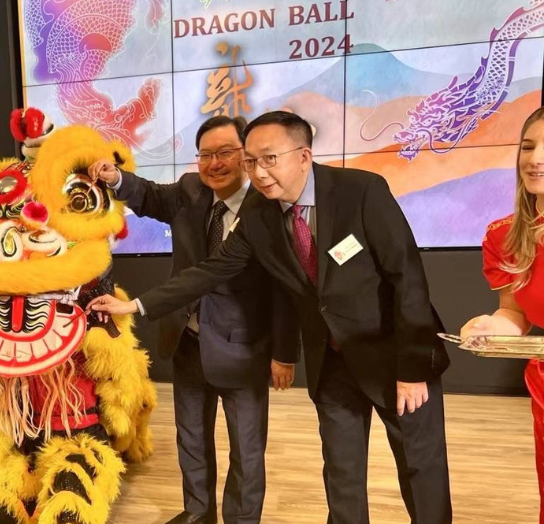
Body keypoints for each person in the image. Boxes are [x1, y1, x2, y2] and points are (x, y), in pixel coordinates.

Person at [90, 111, 452, 524]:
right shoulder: (260, 214)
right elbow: (212, 268)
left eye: (269, 159)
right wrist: (137, 305)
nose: (259, 173)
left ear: (303, 155)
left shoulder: (361, 190)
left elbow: (406, 276)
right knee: (342, 474)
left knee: (420, 469)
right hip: (331, 362)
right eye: (252, 162)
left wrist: (412, 366)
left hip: (395, 356)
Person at [91, 115, 297, 524]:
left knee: (247, 449)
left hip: (243, 348)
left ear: (247, 156)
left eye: (225, 153)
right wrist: (116, 178)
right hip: (187, 340)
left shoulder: (268, 207)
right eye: (206, 155)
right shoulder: (189, 190)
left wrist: (283, 353)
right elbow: (148, 195)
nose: (214, 164)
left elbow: (285, 290)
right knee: (192, 439)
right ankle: (198, 512)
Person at [461, 106, 544, 524]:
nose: (534, 158)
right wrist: (489, 328)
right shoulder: (504, 235)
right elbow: (514, 314)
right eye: (528, 146)